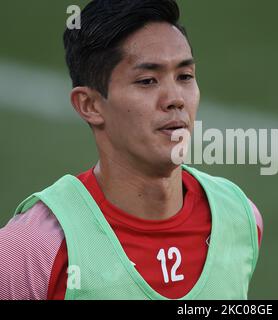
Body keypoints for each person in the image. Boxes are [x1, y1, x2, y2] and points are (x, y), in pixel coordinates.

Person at [0, 0, 262, 300]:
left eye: (185, 76)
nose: (176, 99)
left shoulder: (240, 218)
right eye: (147, 81)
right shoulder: (32, 248)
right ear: (90, 105)